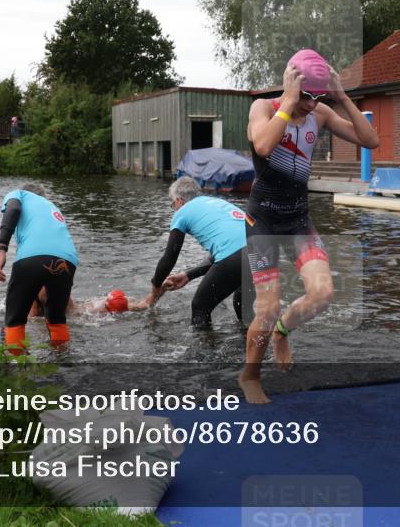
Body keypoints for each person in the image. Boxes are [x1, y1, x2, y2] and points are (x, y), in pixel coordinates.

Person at [239, 49, 379, 404]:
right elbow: (263, 144)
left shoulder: (321, 112)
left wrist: (341, 96)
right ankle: (250, 375)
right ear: (291, 86)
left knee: (323, 294)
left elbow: (370, 141)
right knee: (267, 307)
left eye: (316, 97)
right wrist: (288, 101)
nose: (309, 104)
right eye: (305, 96)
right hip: (264, 220)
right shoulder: (265, 108)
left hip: (298, 218)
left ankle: (282, 333)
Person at [132, 176, 255, 327]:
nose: (174, 209)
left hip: (238, 254)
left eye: (173, 204)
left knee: (200, 306)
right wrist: (188, 275)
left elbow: (169, 259)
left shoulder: (183, 212)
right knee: (242, 305)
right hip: (264, 250)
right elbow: (224, 252)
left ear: (179, 200)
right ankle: (256, 345)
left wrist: (154, 293)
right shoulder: (218, 203)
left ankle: (204, 351)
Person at [0, 183, 78, 354]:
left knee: (15, 320)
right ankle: (62, 364)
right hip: (68, 260)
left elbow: (14, 209)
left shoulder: (19, 194)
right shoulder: (52, 207)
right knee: (57, 320)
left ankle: (19, 370)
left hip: (33, 256)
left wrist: (2, 249)